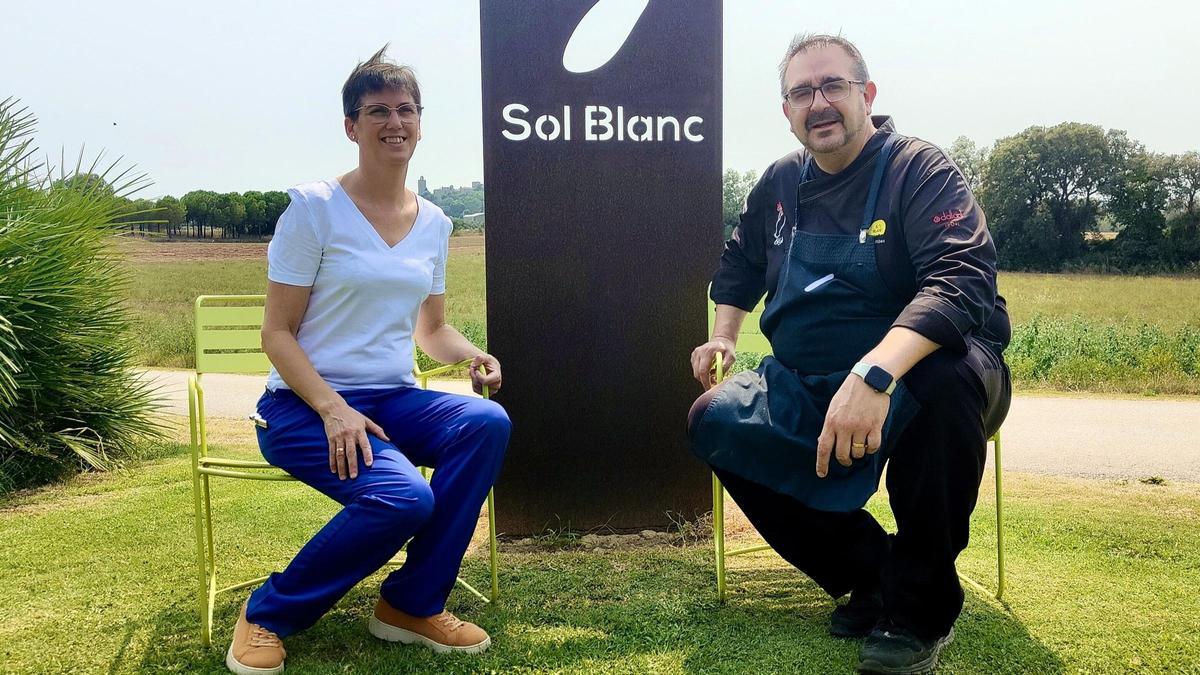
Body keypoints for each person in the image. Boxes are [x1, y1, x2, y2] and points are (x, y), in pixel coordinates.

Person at [687, 34, 1010, 675]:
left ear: (867, 94)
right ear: (787, 110)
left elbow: (962, 279)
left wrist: (876, 371)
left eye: (833, 85)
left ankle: (920, 611)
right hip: (808, 378)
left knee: (943, 380)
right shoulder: (779, 182)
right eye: (802, 92)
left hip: (930, 376)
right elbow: (740, 264)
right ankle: (875, 574)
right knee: (715, 420)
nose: (819, 103)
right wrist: (724, 334)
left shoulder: (920, 171)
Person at [226, 46, 510, 675]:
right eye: (377, 111)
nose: (395, 123)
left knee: (487, 423)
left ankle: (410, 604)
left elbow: (431, 329)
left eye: (406, 109)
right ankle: (268, 612)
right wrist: (334, 410)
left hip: (389, 400)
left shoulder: (434, 222)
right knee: (403, 498)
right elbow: (276, 334)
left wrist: (471, 353)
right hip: (302, 406)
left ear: (421, 121)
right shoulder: (313, 209)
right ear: (351, 126)